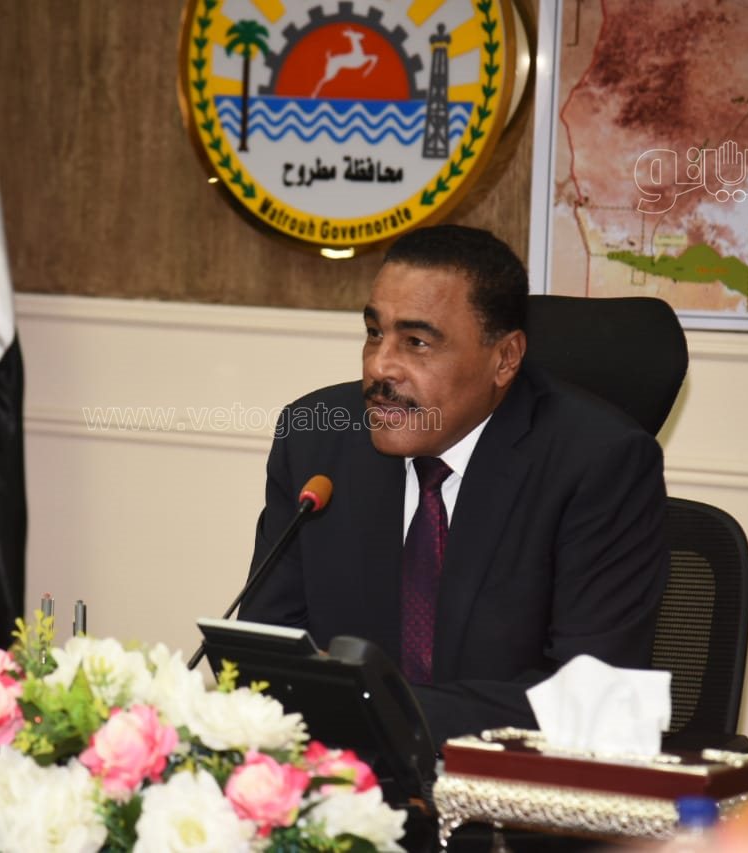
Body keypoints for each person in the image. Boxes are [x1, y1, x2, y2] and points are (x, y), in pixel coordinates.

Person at [239, 224, 670, 748]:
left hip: (510, 784)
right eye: (374, 332)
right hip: (343, 779)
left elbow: (595, 699)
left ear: (505, 359)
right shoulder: (317, 439)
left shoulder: (599, 465)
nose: (380, 366)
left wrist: (372, 704)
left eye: (417, 342)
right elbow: (262, 657)